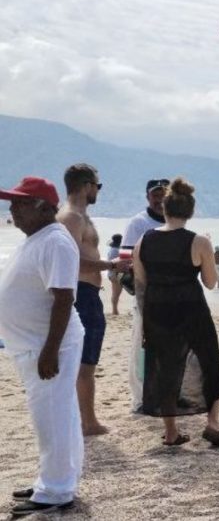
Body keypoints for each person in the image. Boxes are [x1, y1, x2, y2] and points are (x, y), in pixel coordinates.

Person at [0, 177, 85, 516]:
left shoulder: (55, 242)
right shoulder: (37, 239)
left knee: (50, 417)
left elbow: (64, 297)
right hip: (32, 343)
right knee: (60, 414)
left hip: (48, 346)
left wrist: (51, 349)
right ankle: (57, 479)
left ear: (44, 208)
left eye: (20, 203)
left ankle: (55, 490)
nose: (12, 209)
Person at [132, 177, 219, 447]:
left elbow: (141, 279)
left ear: (164, 209)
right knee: (210, 362)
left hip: (157, 309)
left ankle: (171, 431)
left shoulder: (144, 239)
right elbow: (211, 283)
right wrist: (207, 251)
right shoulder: (199, 241)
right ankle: (212, 423)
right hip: (190, 308)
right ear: (190, 212)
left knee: (166, 366)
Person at [57, 164, 127, 436]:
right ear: (86, 185)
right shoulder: (72, 217)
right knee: (84, 361)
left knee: (85, 360)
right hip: (81, 293)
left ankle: (84, 419)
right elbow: (72, 260)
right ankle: (88, 422)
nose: (98, 190)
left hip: (88, 293)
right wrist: (110, 265)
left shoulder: (80, 217)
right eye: (97, 185)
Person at [121, 178, 169, 412]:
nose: (160, 199)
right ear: (148, 197)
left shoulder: (176, 221)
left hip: (172, 295)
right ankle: (140, 398)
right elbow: (125, 259)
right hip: (146, 295)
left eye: (164, 195)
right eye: (155, 195)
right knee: (142, 346)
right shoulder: (138, 223)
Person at [106, 234, 123, 315]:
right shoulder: (116, 251)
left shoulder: (112, 249)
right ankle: (114, 310)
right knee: (116, 293)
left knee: (115, 293)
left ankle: (115, 310)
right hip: (115, 274)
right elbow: (116, 265)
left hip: (111, 273)